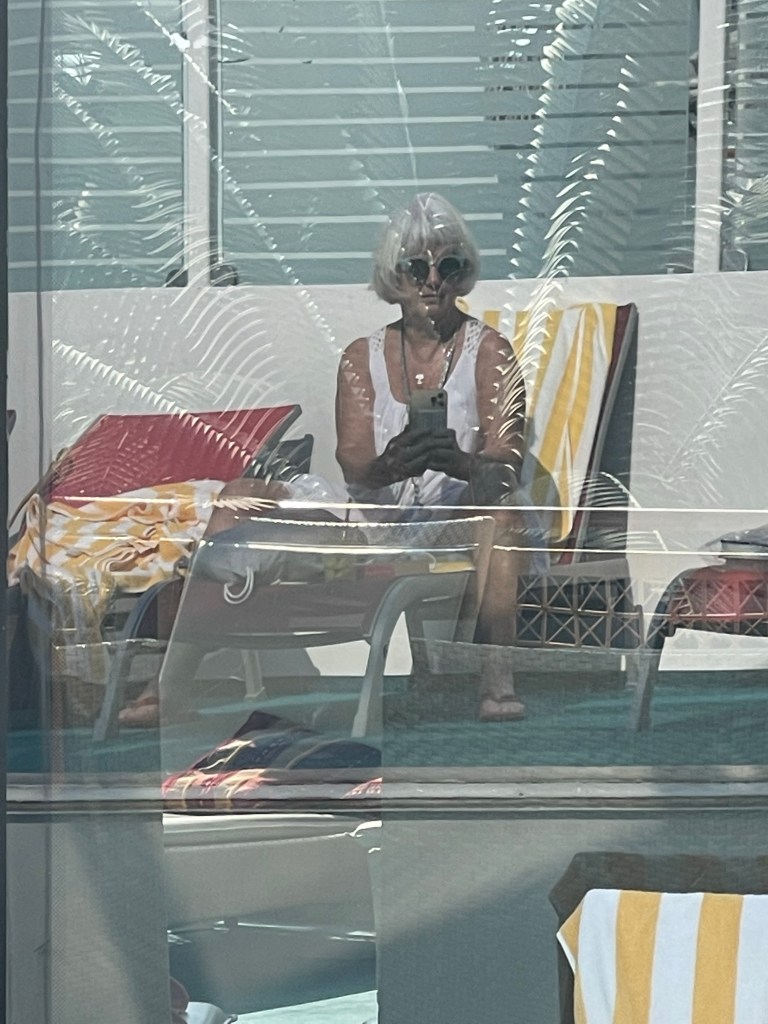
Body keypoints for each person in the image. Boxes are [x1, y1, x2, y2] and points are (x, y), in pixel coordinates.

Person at [119, 193, 529, 727]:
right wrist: (392, 464)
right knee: (239, 497)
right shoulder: (361, 357)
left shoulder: (490, 350)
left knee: (504, 513)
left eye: (448, 267)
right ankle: (169, 684)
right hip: (372, 519)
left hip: (453, 517)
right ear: (394, 275)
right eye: (416, 268)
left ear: (462, 273)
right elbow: (355, 466)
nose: (432, 281)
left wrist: (457, 461)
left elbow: (505, 462)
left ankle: (498, 679)